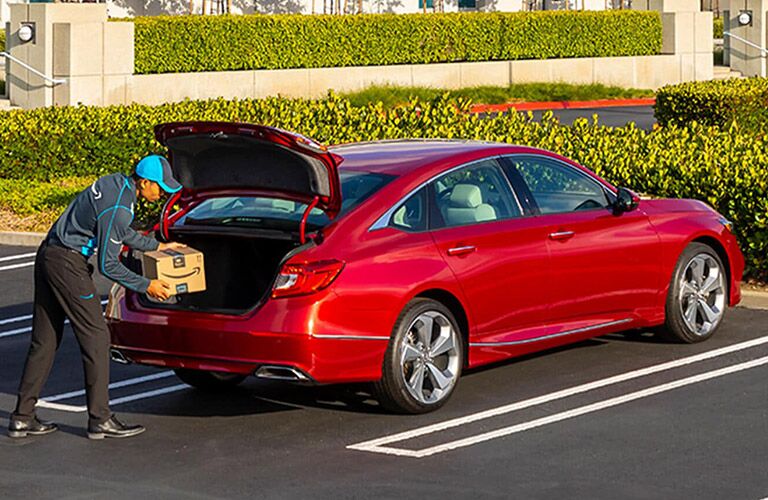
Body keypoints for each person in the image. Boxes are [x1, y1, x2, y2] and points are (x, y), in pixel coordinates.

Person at [9, 155, 182, 440]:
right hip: (67, 264)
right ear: (145, 182)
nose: (162, 194)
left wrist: (158, 246)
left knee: (45, 340)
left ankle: (22, 417)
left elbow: (118, 231)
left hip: (48, 254)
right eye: (160, 187)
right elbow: (108, 264)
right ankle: (100, 419)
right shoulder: (121, 206)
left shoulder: (116, 184)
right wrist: (146, 285)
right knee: (98, 337)